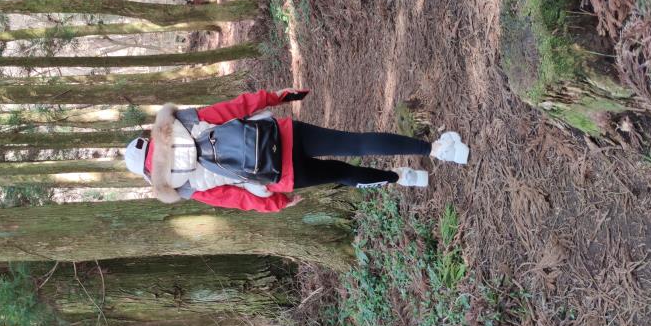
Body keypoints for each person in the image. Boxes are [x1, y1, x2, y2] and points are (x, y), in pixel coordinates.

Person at [122, 89, 469, 212]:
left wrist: (277, 203)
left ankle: (404, 178)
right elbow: (236, 107)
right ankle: (439, 149)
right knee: (355, 142)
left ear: (147, 173)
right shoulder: (180, 123)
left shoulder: (181, 187)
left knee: (343, 174)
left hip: (279, 175)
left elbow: (237, 198)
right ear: (148, 139)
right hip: (282, 135)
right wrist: (275, 97)